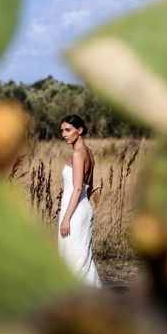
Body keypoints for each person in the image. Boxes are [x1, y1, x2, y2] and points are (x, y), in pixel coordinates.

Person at [57, 114, 102, 288]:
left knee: (74, 257)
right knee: (82, 256)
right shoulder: (88, 152)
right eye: (62, 131)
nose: (64, 134)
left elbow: (77, 188)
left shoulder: (77, 154)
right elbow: (88, 186)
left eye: (68, 130)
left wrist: (67, 218)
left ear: (80, 130)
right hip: (82, 207)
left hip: (74, 211)